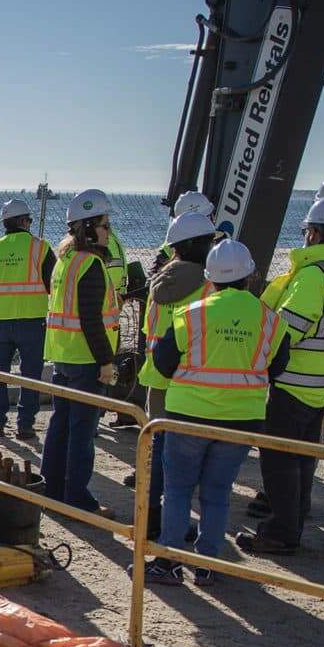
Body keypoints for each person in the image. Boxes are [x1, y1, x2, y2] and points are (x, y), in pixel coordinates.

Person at [144, 238, 288, 587]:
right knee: (217, 493)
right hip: (241, 420)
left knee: (177, 492)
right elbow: (278, 367)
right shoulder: (270, 320)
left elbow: (162, 364)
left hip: (187, 416)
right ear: (250, 276)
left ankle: (169, 562)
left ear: (211, 278)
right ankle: (209, 564)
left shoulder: (191, 315)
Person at [236, 196, 324, 554]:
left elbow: (288, 330)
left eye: (308, 231)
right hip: (323, 380)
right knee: (305, 454)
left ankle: (280, 531)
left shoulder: (314, 275)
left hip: (294, 378)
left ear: (316, 232)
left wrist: (259, 357)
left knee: (279, 458)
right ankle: (296, 513)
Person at [134, 208, 219, 536]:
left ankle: (150, 517)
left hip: (156, 379)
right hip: (188, 383)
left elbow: (148, 331)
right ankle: (173, 523)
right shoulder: (208, 288)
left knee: (156, 453)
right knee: (180, 462)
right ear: (199, 244)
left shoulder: (158, 284)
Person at [41, 188, 122, 513]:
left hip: (64, 356)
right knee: (82, 435)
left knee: (60, 426)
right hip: (87, 361)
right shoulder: (90, 265)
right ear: (88, 228)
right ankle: (77, 498)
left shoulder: (65, 262)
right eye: (105, 225)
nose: (109, 232)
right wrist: (106, 361)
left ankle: (51, 489)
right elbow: (91, 320)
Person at [0, 198, 54, 441]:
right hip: (33, 321)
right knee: (30, 375)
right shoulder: (40, 248)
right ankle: (25, 426)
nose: (29, 223)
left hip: (2, 322)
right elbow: (55, 284)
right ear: (22, 221)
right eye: (28, 219)